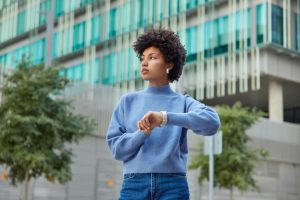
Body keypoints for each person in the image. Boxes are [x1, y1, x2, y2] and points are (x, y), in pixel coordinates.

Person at [106, 28, 220, 200]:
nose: (144, 63)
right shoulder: (127, 101)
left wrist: (164, 118)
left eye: (152, 58)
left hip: (173, 186)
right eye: (142, 58)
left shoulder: (183, 102)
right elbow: (117, 150)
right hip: (134, 185)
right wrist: (142, 133)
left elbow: (212, 123)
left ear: (169, 64)